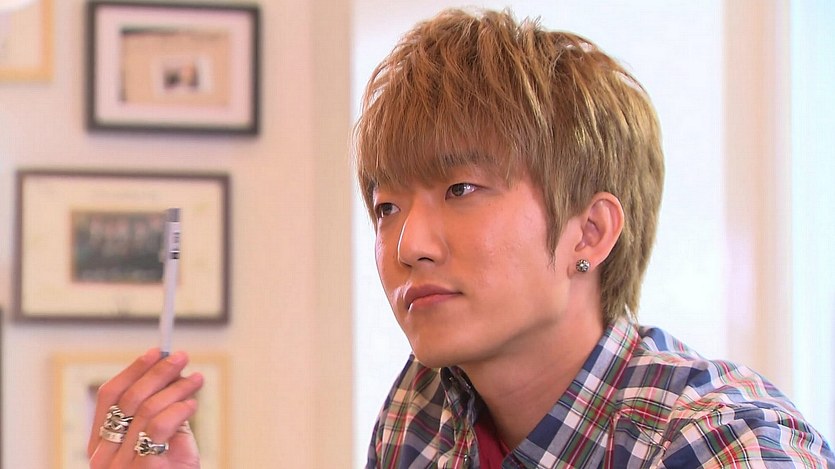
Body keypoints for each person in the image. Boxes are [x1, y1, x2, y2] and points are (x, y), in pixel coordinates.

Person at [88, 7, 835, 469]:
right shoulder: (424, 413)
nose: (407, 243)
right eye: (385, 206)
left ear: (590, 230)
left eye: (460, 190)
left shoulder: (720, 447)